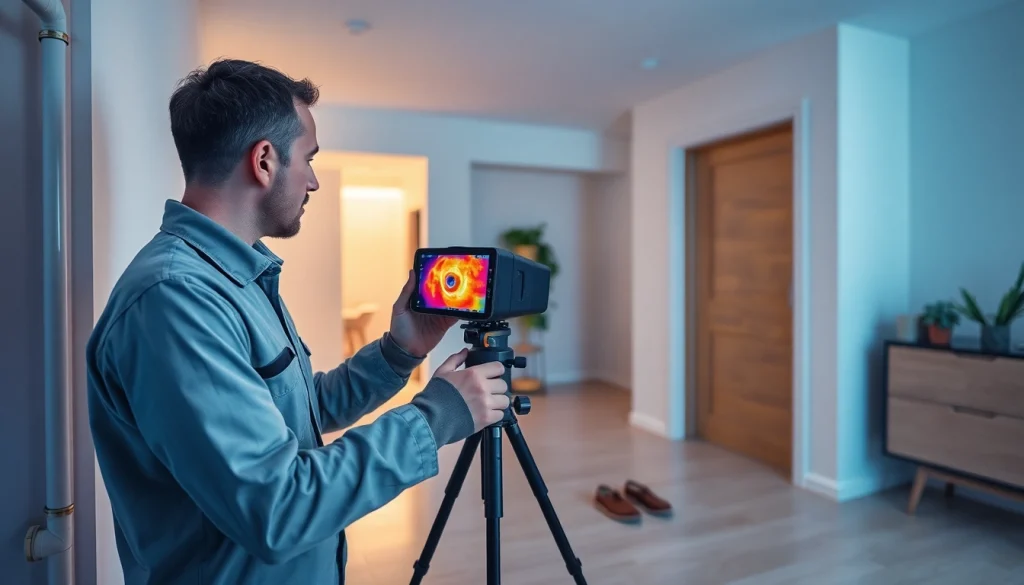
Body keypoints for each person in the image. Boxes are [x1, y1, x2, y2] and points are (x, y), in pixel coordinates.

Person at [85, 59, 511, 585]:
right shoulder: (176, 300)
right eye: (308, 159)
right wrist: (436, 415)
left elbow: (297, 415)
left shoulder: (237, 275)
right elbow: (277, 507)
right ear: (264, 160)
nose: (312, 181)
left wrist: (401, 351)